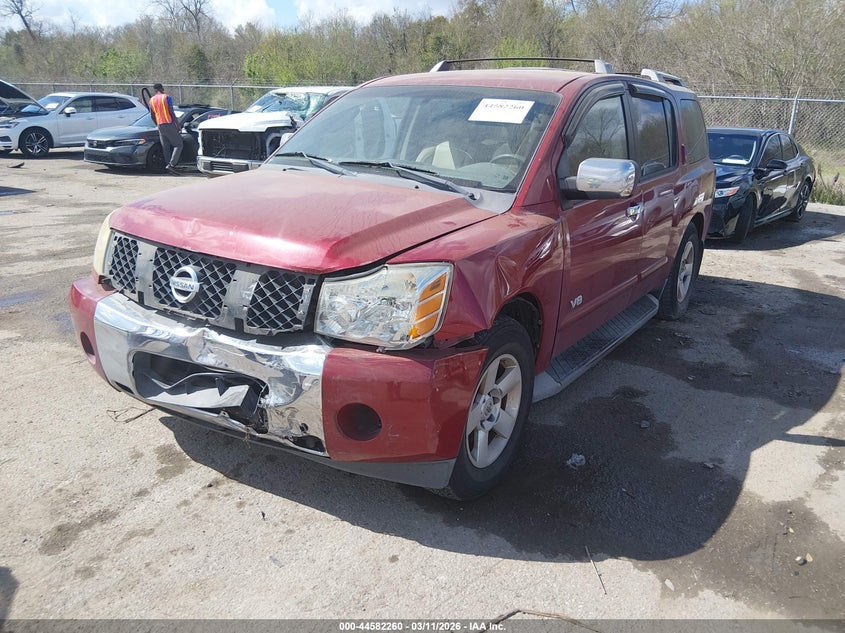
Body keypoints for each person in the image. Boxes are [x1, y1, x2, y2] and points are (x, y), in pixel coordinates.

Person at [149, 83, 183, 174]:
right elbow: (171, 112)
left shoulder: (151, 100)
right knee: (178, 144)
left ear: (155, 90)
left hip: (160, 125)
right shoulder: (166, 97)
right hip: (169, 123)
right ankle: (171, 165)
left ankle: (169, 168)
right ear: (161, 88)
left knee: (166, 147)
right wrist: (178, 125)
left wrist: (157, 124)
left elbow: (152, 115)